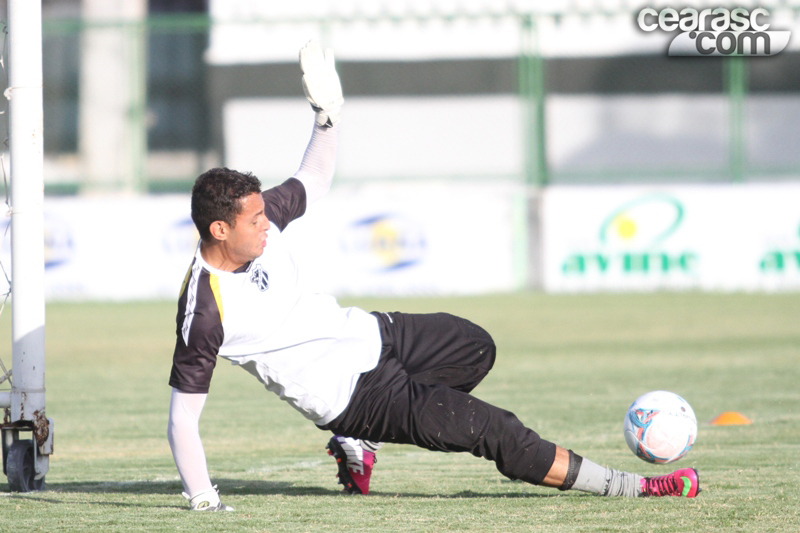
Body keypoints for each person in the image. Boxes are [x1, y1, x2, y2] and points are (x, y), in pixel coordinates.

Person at [167, 40, 701, 512]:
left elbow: (313, 179)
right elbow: (183, 419)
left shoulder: (257, 222)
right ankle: (636, 488)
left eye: (265, 214)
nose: (267, 223)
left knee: (475, 346)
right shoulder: (205, 310)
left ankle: (362, 444)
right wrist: (203, 498)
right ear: (219, 229)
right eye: (255, 220)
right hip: (359, 397)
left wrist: (327, 116)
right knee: (494, 429)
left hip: (372, 333)